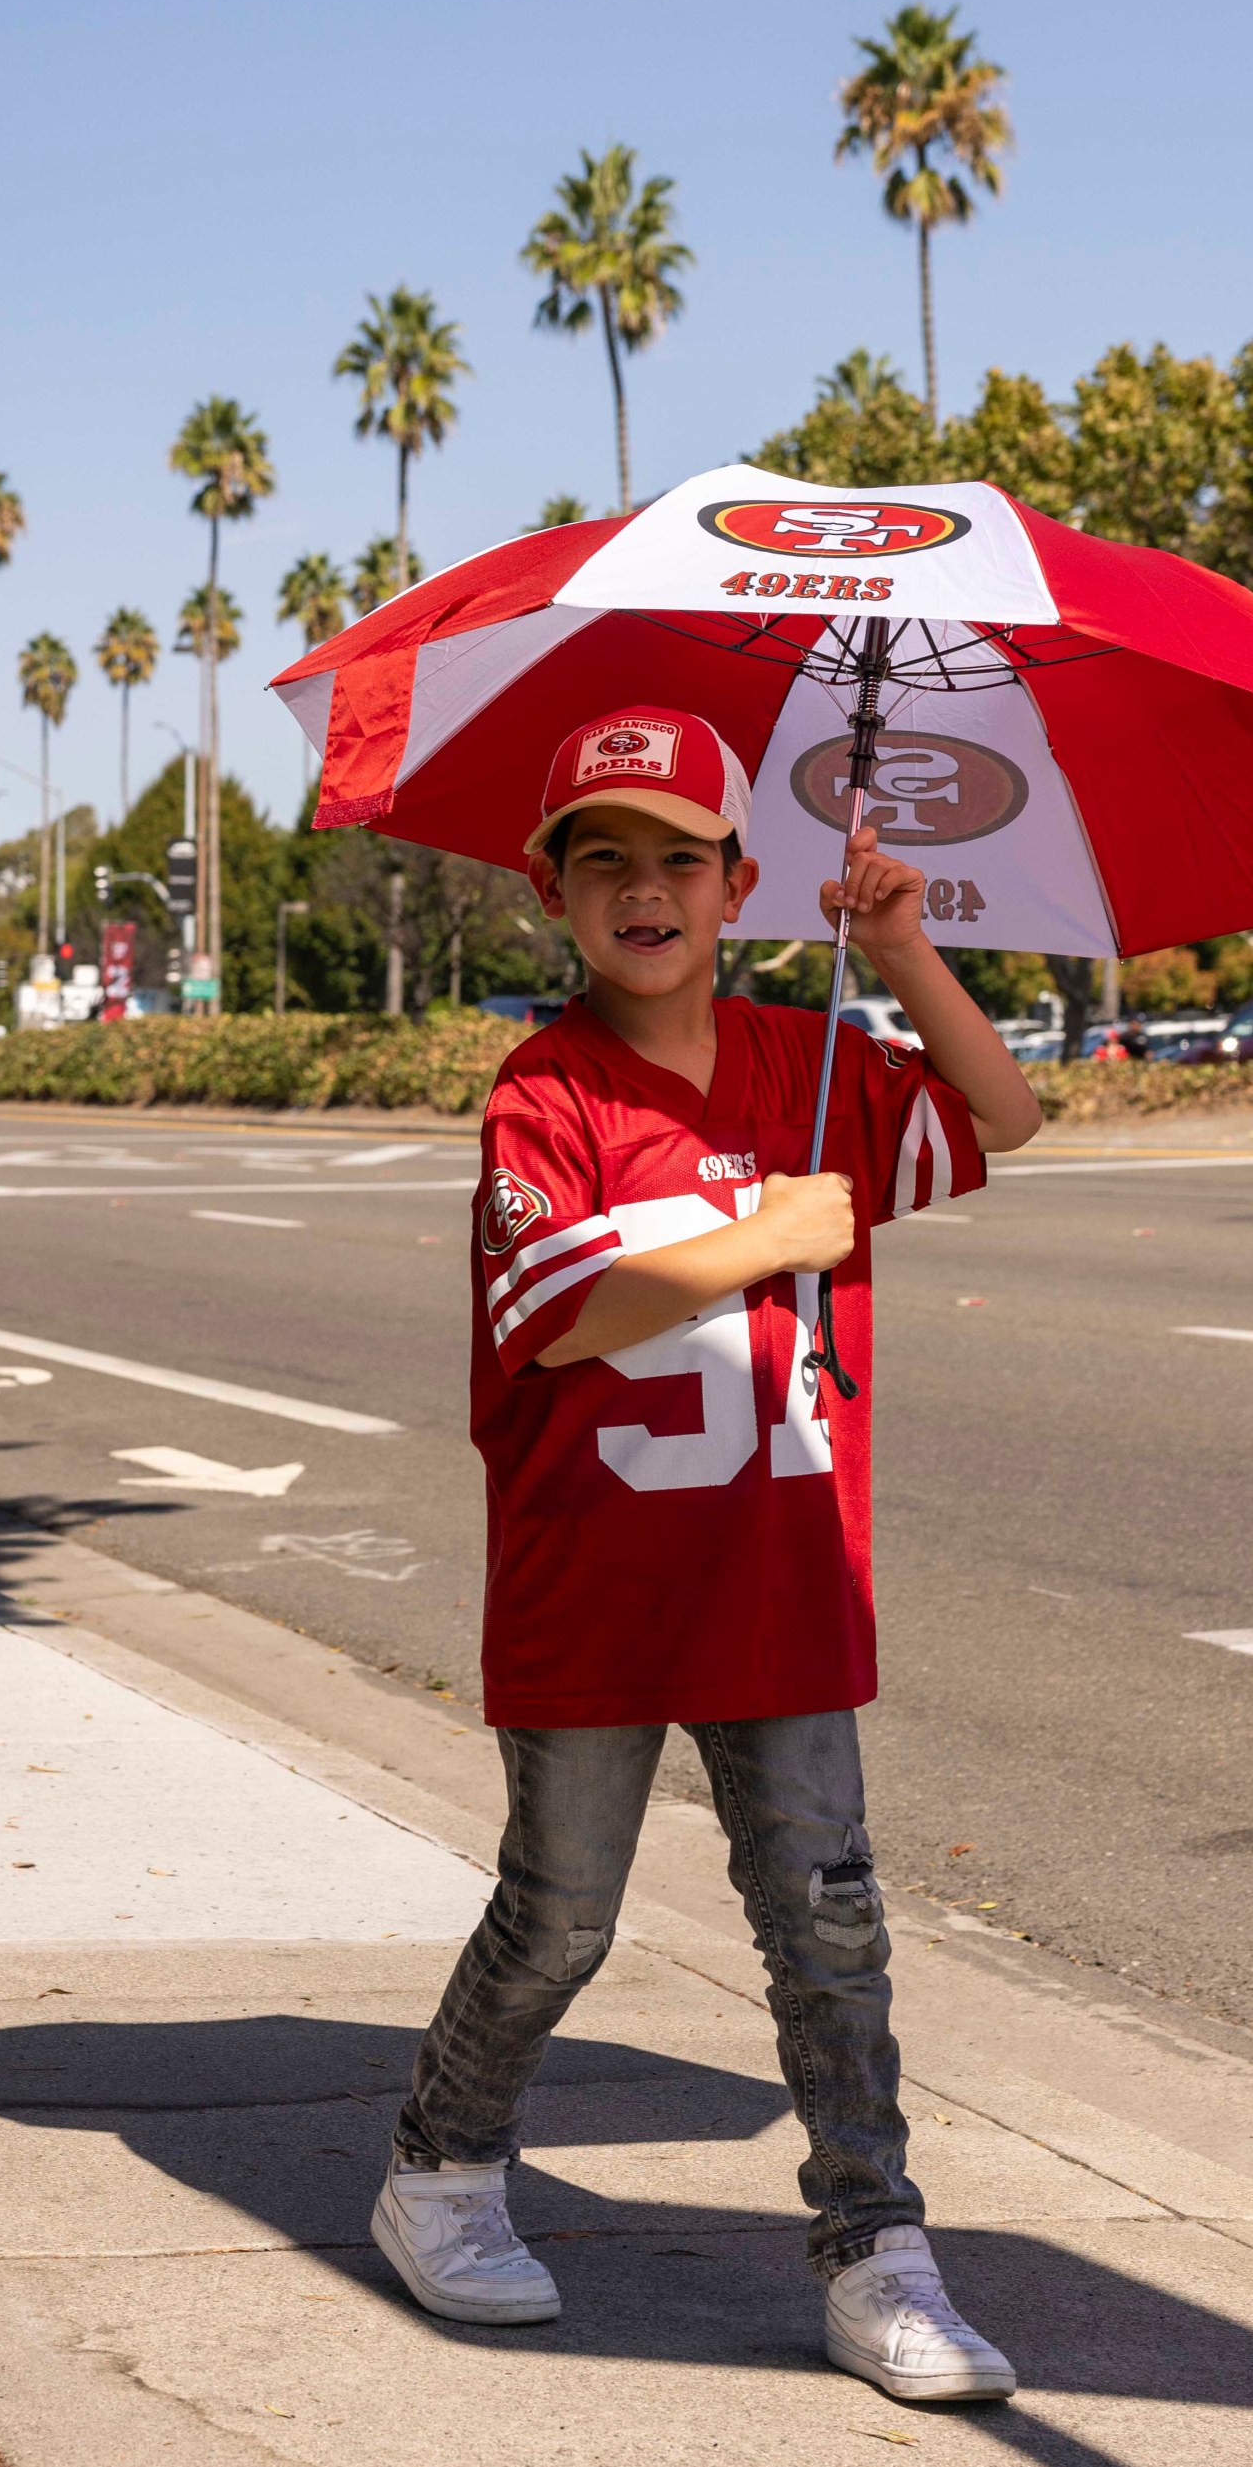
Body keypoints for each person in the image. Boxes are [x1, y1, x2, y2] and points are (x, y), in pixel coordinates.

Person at [372, 707, 1045, 2406]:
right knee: (560, 1918)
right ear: (553, 892)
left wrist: (902, 946)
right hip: (594, 1578)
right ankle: (441, 2166)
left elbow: (1007, 1111)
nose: (647, 888)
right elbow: (563, 1316)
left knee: (828, 1917)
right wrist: (766, 1234)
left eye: (683, 855)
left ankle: (874, 2246)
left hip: (779, 1572)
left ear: (748, 880)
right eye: (607, 860)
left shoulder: (808, 1059)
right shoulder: (544, 1090)